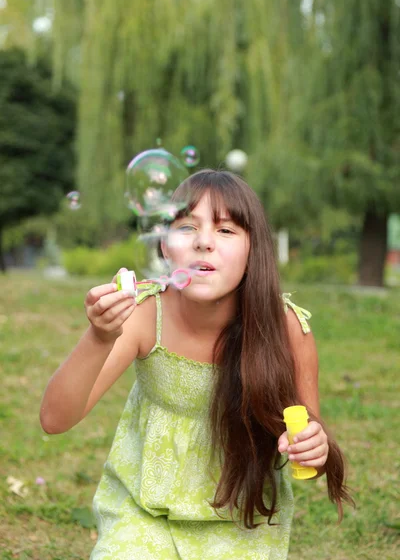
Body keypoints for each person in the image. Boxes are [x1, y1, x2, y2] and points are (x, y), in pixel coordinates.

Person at [40, 170, 352, 559]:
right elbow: (54, 419)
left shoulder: (286, 328)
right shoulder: (144, 314)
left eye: (226, 231)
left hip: (243, 524)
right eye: (187, 227)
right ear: (165, 248)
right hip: (143, 514)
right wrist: (100, 337)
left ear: (253, 250)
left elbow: (310, 436)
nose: (204, 242)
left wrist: (315, 447)